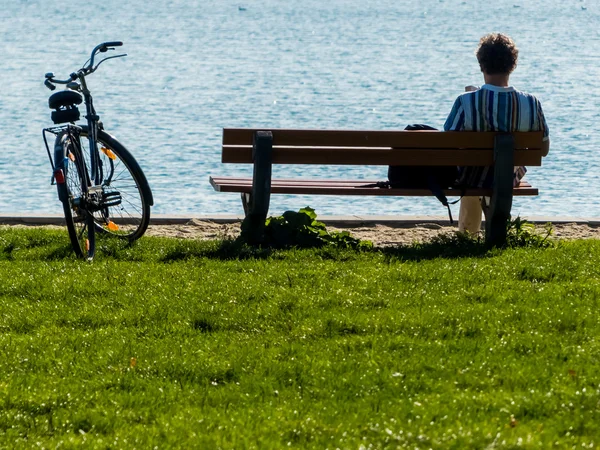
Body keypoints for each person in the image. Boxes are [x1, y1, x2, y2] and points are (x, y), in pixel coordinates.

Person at [444, 33, 550, 234]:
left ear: (481, 64)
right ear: (513, 65)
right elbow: (543, 150)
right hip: (508, 176)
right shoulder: (531, 103)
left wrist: (472, 97)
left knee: (470, 168)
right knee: (498, 167)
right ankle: (497, 229)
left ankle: (468, 235)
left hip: (471, 177)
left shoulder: (465, 101)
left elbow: (449, 145)